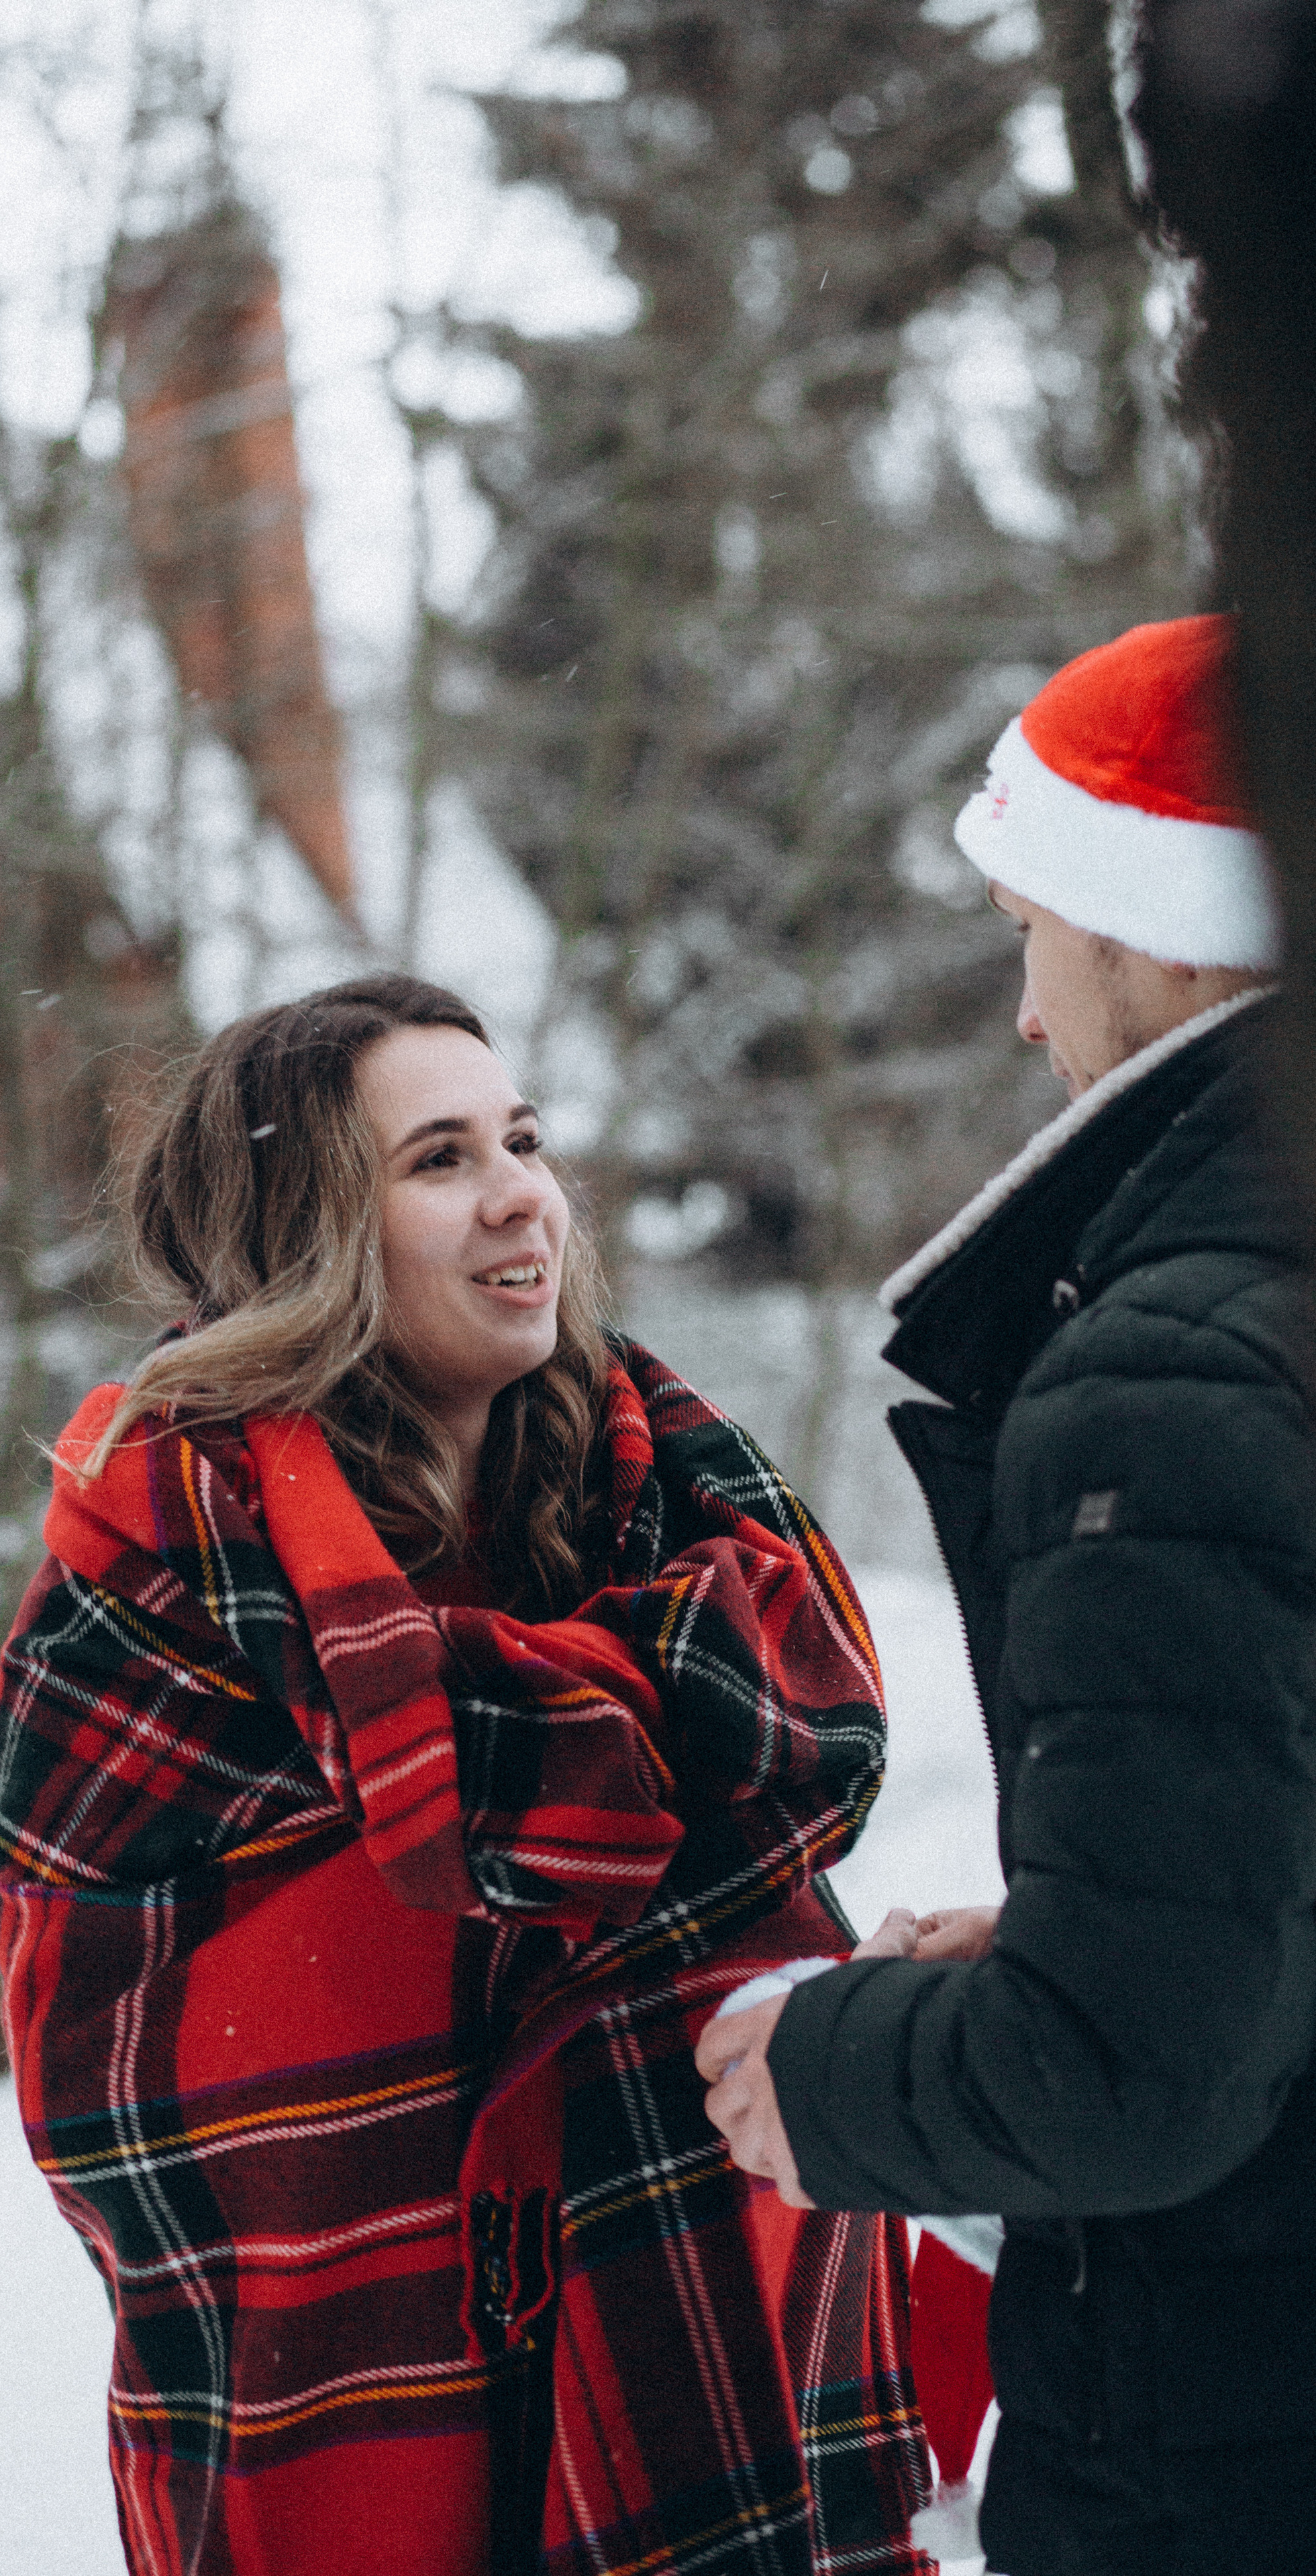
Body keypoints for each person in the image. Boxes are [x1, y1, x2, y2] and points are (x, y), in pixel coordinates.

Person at [0, 975, 931, 2576]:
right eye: (438, 1160)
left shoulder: (673, 1514)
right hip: (357, 2415)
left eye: (523, 1142)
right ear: (302, 1238)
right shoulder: (160, 1592)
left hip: (717, 2374)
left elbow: (780, 1801)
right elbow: (131, 2092)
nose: (520, 1198)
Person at [696, 615, 1316, 2575]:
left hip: (1227, 2453)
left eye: (1027, 928)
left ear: (1163, 932)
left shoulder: (1167, 1377)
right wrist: (1112, 1922)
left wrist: (821, 2071)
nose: (1029, 1018)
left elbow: (1135, 2075)